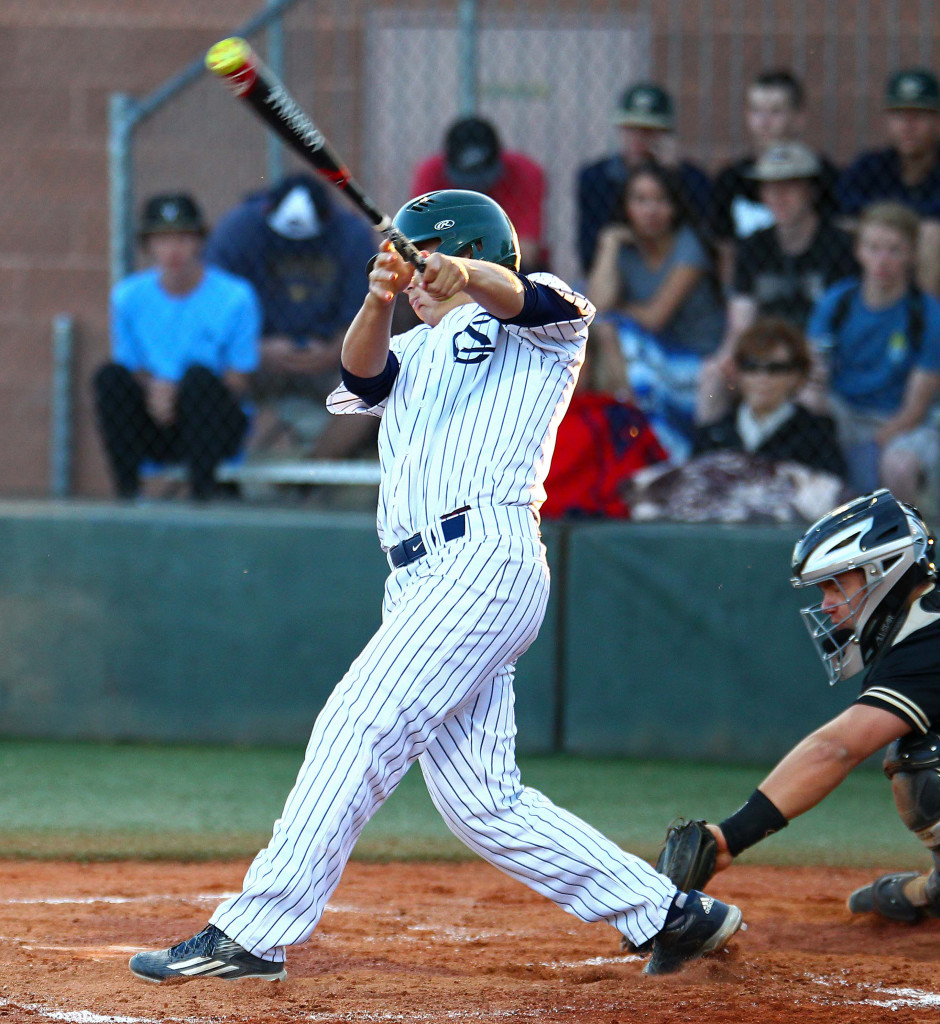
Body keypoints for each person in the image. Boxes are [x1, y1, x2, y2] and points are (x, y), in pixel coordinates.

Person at [127, 189, 743, 983]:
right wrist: (381, 294)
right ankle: (668, 914)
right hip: (419, 577)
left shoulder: (540, 324)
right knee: (481, 801)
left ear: (471, 250)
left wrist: (456, 269)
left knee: (360, 720)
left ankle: (255, 931)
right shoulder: (411, 349)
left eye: (423, 257)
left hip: (483, 554)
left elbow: (522, 295)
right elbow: (361, 372)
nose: (415, 273)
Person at [679, 489, 940, 927]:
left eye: (835, 585)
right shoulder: (923, 619)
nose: (827, 605)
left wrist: (729, 838)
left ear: (882, 570)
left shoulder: (926, 639)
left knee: (923, 760)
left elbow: (836, 749)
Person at [93, 193, 260, 501]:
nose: (173, 250)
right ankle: (127, 494)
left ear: (199, 242)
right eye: (162, 239)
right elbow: (130, 366)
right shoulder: (128, 296)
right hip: (154, 418)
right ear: (148, 245)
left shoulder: (236, 296)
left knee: (198, 378)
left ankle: (203, 495)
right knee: (109, 377)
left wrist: (179, 391)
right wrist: (156, 391)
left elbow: (239, 378)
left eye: (183, 238)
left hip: (211, 423)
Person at [204, 174, 378, 458]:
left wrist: (335, 350)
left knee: (372, 391)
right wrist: (256, 350)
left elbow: (369, 311)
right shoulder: (237, 231)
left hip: (331, 360)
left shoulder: (352, 235)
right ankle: (229, 471)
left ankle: (309, 474)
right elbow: (212, 310)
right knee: (212, 377)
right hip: (258, 360)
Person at [699, 142, 857, 425]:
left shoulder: (840, 247)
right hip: (763, 358)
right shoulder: (753, 247)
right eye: (769, 188)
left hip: (819, 359)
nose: (778, 197)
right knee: (712, 381)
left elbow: (843, 324)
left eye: (789, 187)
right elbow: (741, 321)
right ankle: (711, 455)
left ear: (810, 191)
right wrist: (728, 357)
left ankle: (803, 464)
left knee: (809, 397)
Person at [586, 162, 725, 461]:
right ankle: (629, 418)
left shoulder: (689, 245)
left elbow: (655, 316)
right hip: (653, 353)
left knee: (614, 327)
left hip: (695, 359)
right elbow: (596, 307)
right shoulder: (624, 247)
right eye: (640, 200)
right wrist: (608, 245)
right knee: (604, 329)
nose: (651, 210)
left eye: (660, 200)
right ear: (626, 206)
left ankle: (645, 431)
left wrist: (617, 308)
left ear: (674, 207)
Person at [807, 201, 940, 504]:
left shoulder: (928, 316)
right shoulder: (837, 302)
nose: (882, 260)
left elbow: (915, 410)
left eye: (894, 250)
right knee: (806, 405)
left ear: (912, 255)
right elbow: (815, 371)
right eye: (873, 247)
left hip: (899, 422)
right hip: (844, 411)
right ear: (858, 251)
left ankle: (905, 544)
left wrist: (869, 449)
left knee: (899, 466)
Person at [709, 69, 841, 283]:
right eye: (756, 111)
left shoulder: (822, 174)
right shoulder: (732, 178)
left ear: (799, 118)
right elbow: (725, 250)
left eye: (776, 112)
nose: (764, 121)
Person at [576, 82, 711, 274]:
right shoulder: (595, 176)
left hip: (671, 269)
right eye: (632, 128)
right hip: (614, 269)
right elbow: (588, 252)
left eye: (649, 130)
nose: (638, 137)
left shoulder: (691, 178)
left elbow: (701, 235)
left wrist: (676, 177)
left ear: (665, 134)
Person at [693, 318, 847, 479]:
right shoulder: (714, 434)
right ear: (737, 372)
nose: (762, 378)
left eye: (776, 368)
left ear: (799, 376)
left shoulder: (818, 436)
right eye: (751, 366)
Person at [837, 68, 940, 295]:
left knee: (931, 235)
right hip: (876, 262)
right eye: (899, 115)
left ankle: (923, 324)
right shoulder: (872, 165)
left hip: (928, 263)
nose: (907, 125)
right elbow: (842, 207)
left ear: (937, 120)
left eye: (918, 116)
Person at [411, 116, 548, 273]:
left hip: (508, 267)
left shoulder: (525, 172)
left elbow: (528, 250)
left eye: (482, 181)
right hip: (447, 266)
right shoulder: (431, 173)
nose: (476, 189)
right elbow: (421, 245)